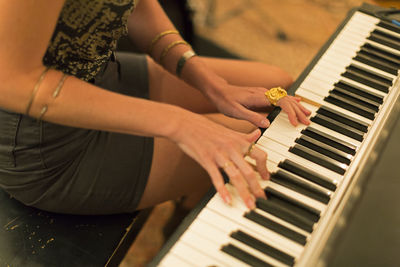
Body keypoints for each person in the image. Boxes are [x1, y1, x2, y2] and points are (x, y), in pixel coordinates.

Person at [0, 0, 310, 216]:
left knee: (276, 84)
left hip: (101, 75)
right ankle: (191, 229)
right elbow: (11, 82)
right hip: (44, 140)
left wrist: (211, 85)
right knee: (257, 141)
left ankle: (189, 202)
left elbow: (136, 8)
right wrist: (177, 122)